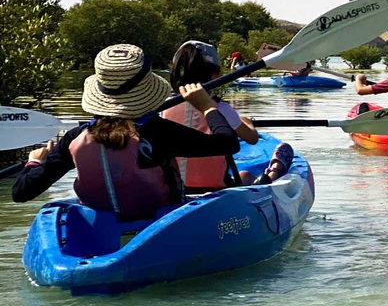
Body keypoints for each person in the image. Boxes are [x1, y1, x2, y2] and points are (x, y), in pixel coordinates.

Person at [11, 44, 240, 220]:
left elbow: (21, 192)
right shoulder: (158, 132)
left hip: (102, 224)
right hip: (160, 220)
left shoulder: (75, 137)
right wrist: (208, 107)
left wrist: (34, 162)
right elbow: (228, 143)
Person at [164, 41, 278, 188]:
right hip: (216, 188)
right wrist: (248, 124)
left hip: (173, 188)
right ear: (215, 75)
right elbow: (252, 138)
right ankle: (274, 172)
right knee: (245, 175)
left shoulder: (163, 107)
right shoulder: (221, 108)